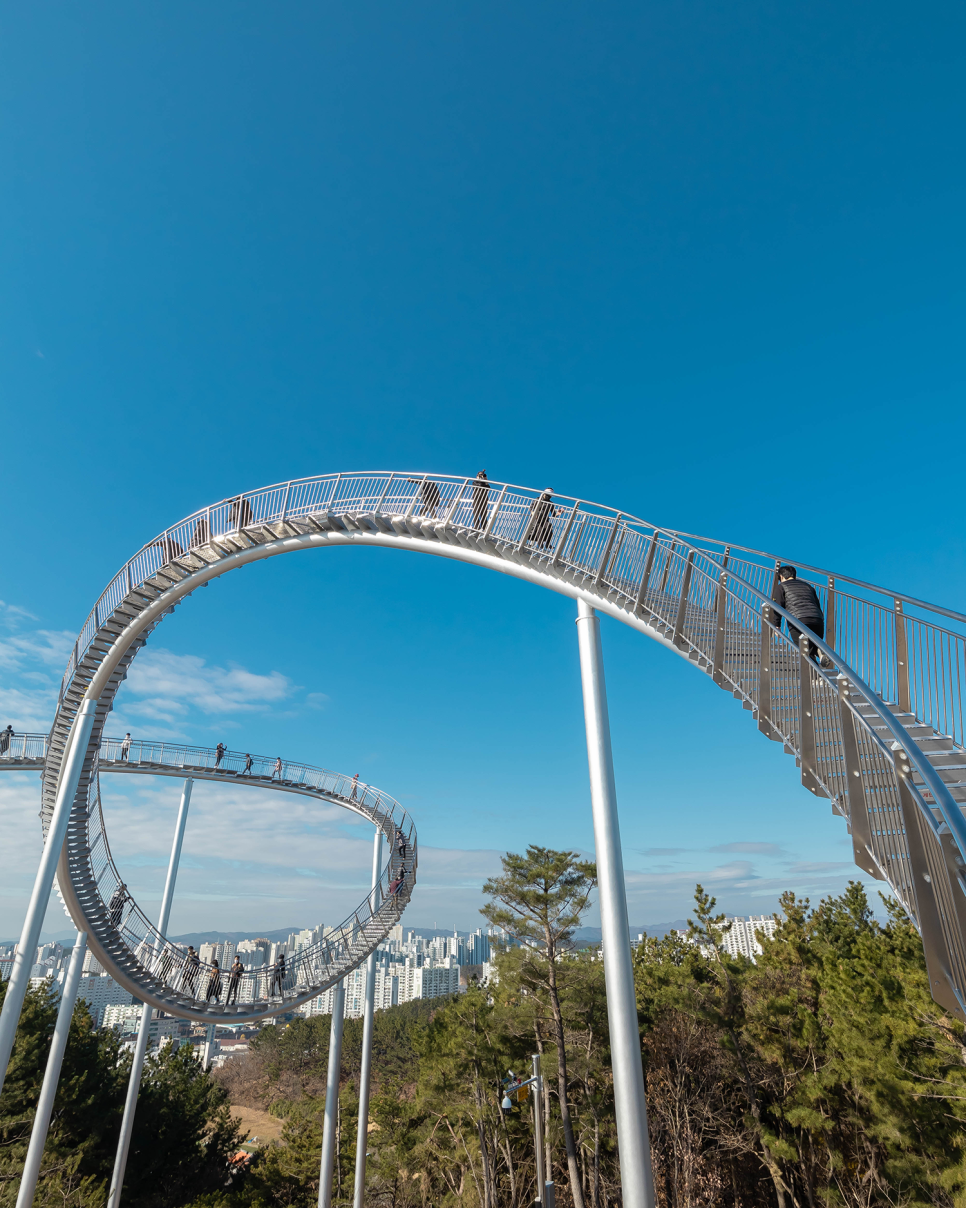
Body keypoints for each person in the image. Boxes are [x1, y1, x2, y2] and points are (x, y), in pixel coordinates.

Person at [772, 565, 828, 665]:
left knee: (805, 651)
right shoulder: (808, 586)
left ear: (781, 576)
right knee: (813, 644)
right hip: (817, 619)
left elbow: (778, 605)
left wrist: (777, 624)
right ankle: (819, 650)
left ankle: (815, 678)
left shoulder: (781, 587)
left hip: (799, 620)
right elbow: (817, 604)